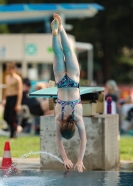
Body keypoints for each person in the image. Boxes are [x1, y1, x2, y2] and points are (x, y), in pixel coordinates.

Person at [51, 13, 87, 173]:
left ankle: (61, 28)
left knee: (68, 50)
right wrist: (65, 158)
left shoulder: (78, 117)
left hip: (72, 81)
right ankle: (55, 33)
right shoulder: (58, 117)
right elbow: (58, 140)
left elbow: (83, 139)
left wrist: (79, 160)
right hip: (60, 81)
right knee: (59, 53)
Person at [3, 62, 22, 138]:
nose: (7, 70)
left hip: (14, 98)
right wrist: (4, 99)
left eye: (9, 68)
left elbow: (19, 92)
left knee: (12, 117)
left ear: (14, 69)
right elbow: (6, 89)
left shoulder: (17, 78)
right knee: (5, 117)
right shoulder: (6, 77)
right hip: (8, 98)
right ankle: (17, 128)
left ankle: (13, 135)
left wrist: (18, 104)